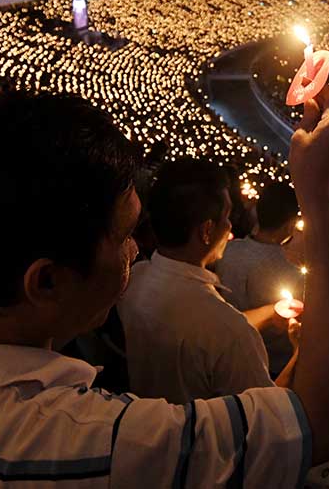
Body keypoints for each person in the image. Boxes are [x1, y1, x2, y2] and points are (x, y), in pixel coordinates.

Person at [0, 87, 329, 487]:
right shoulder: (93, 448)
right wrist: (320, 196)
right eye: (125, 235)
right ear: (45, 280)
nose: (136, 253)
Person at [119, 159, 292, 402]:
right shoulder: (231, 333)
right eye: (227, 216)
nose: (231, 226)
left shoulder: (134, 278)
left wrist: (269, 312)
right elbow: (265, 415)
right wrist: (301, 352)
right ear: (206, 230)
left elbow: (208, 325)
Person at [217, 180, 303, 375]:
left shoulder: (227, 250)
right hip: (268, 363)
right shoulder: (292, 270)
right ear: (290, 224)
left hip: (224, 353)